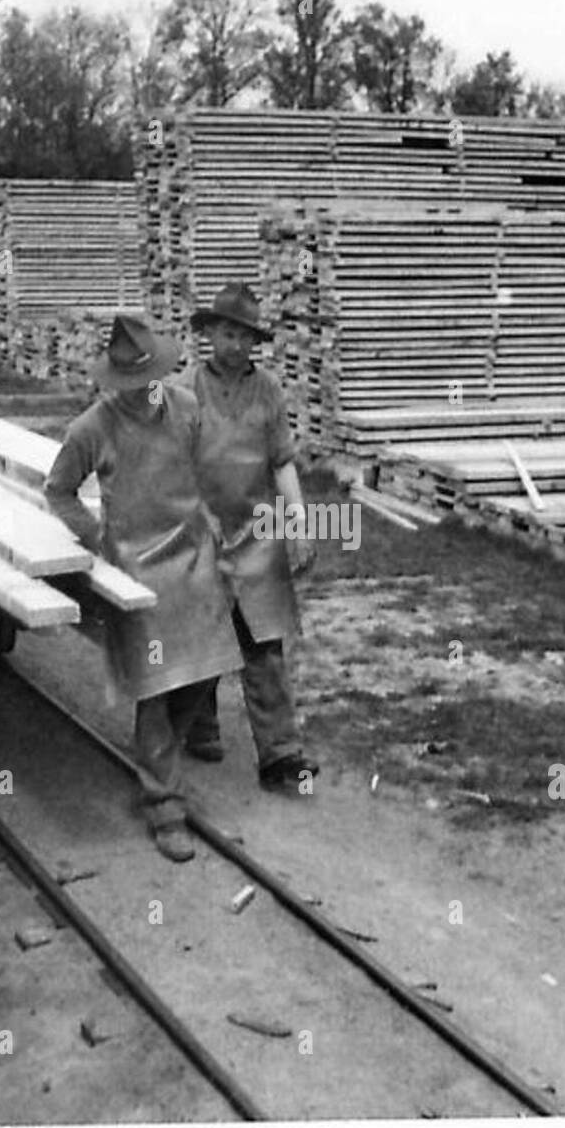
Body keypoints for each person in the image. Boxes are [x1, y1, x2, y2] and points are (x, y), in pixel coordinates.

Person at [43, 314, 242, 862]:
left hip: (194, 553)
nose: (143, 392)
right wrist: (97, 539)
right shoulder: (92, 428)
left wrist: (218, 521)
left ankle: (171, 747)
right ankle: (163, 804)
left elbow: (210, 473)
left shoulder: (187, 411)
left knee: (211, 661)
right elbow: (58, 491)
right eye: (132, 384)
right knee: (155, 684)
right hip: (136, 566)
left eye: (150, 378)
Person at [181, 282, 319, 794]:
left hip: (258, 533)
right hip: (203, 530)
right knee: (204, 637)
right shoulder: (188, 387)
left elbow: (282, 461)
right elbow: (174, 463)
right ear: (210, 333)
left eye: (244, 335)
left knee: (263, 643)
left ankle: (281, 754)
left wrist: (300, 523)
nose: (235, 343)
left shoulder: (269, 390)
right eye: (226, 332)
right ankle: (200, 727)